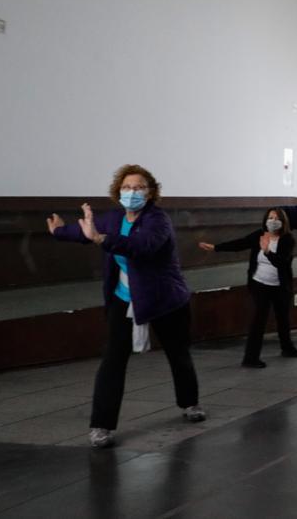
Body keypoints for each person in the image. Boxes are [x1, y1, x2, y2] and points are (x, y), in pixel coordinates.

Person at [47, 164, 207, 449]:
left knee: (178, 354)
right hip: (124, 299)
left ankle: (189, 403)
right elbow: (87, 231)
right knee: (113, 360)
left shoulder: (157, 220)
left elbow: (141, 247)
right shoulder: (115, 218)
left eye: (138, 187)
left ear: (150, 192)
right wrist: (60, 232)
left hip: (165, 300)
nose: (131, 192)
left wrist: (102, 239)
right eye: (126, 187)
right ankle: (101, 425)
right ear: (117, 191)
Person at [198, 208, 297, 367]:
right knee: (258, 321)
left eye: (276, 218)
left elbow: (282, 262)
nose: (272, 220)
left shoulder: (288, 239)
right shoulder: (259, 235)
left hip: (280, 286)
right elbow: (240, 243)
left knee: (283, 318)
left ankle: (287, 348)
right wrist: (215, 247)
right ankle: (250, 358)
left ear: (283, 222)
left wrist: (267, 251)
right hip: (259, 284)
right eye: (270, 217)